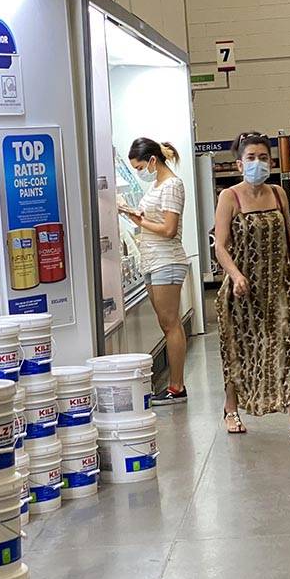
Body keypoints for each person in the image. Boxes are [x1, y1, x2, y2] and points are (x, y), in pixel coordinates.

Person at [213, 132, 290, 443]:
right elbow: (220, 246)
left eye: (263, 158)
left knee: (284, 350)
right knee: (239, 353)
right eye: (251, 158)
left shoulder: (277, 193)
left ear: (271, 162)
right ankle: (231, 409)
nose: (257, 163)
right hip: (242, 293)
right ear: (239, 163)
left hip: (279, 289)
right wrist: (235, 274)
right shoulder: (229, 197)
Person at [120, 137, 189, 404]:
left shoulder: (171, 185)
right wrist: (136, 216)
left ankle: (176, 387)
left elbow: (170, 230)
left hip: (166, 260)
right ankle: (176, 384)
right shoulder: (158, 186)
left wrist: (140, 221)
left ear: (152, 160)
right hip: (153, 261)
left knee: (171, 324)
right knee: (166, 323)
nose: (139, 173)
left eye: (139, 168)